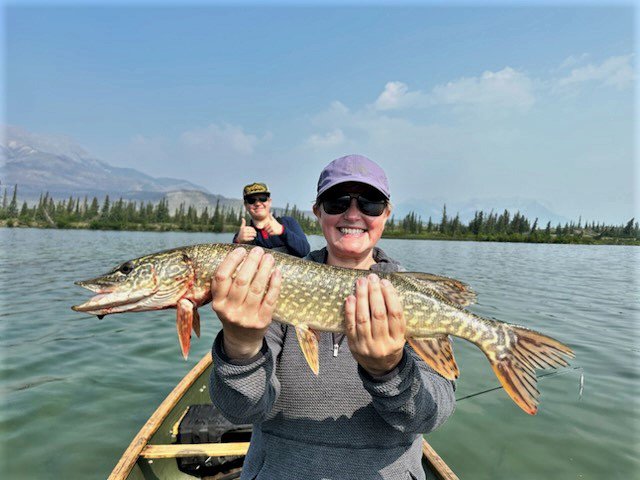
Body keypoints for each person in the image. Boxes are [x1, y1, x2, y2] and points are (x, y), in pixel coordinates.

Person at [209, 155, 455, 480]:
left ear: (387, 213)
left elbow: (431, 416)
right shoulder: (274, 284)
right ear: (318, 211)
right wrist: (239, 346)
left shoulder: (411, 293)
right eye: (337, 201)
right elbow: (241, 409)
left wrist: (389, 372)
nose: (353, 214)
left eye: (371, 203)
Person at [234, 182, 310, 258]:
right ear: (246, 205)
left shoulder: (289, 222)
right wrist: (238, 242)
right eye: (251, 200)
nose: (257, 203)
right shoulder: (241, 235)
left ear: (269, 202)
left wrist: (283, 231)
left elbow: (305, 251)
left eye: (262, 199)